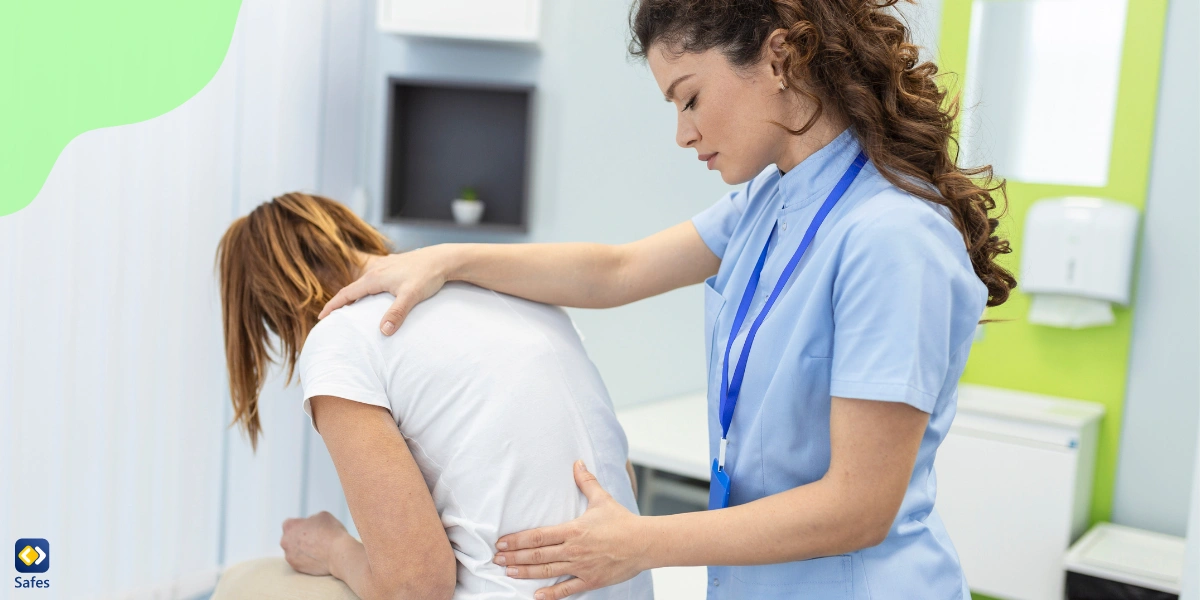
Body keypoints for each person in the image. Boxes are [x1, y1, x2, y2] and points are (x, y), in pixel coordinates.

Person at [319, 0, 1017, 598]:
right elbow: (616, 271)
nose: (683, 133)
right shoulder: (769, 201)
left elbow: (859, 506)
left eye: (690, 98)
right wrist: (446, 260)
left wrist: (639, 543)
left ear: (779, 59)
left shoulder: (892, 235)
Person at [214, 192, 653, 600]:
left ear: (274, 309)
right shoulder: (511, 284)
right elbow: (621, 477)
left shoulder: (339, 337)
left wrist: (331, 549)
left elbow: (416, 586)